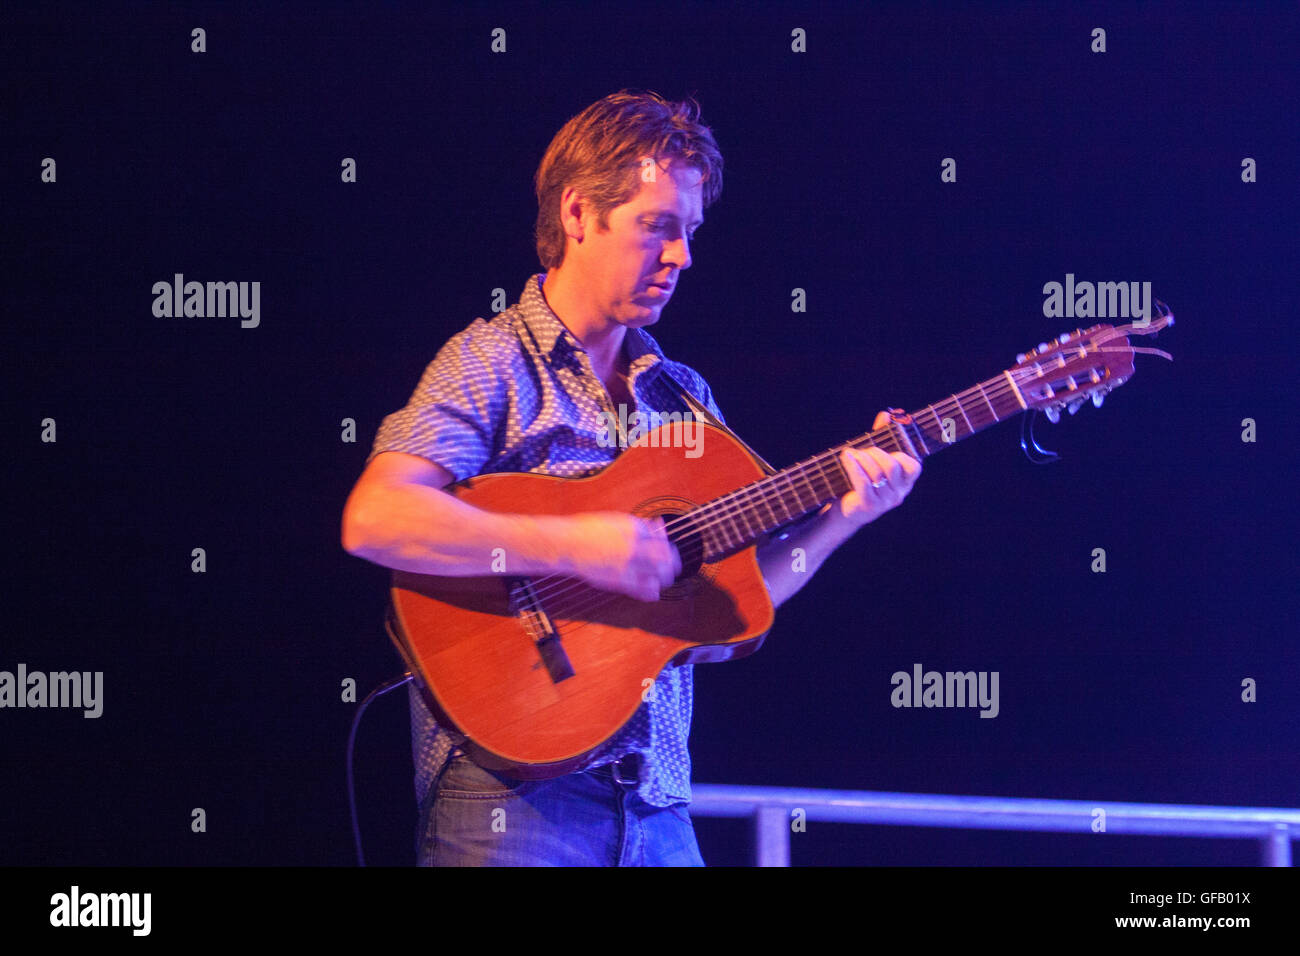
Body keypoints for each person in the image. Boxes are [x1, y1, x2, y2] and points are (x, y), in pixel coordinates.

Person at [341, 90, 921, 866]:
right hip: (511, 806)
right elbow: (376, 519)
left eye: (690, 233)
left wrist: (845, 514)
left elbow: (730, 608)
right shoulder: (494, 361)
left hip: (657, 809)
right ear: (580, 215)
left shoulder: (684, 398)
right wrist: (577, 547)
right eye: (659, 226)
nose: (682, 256)